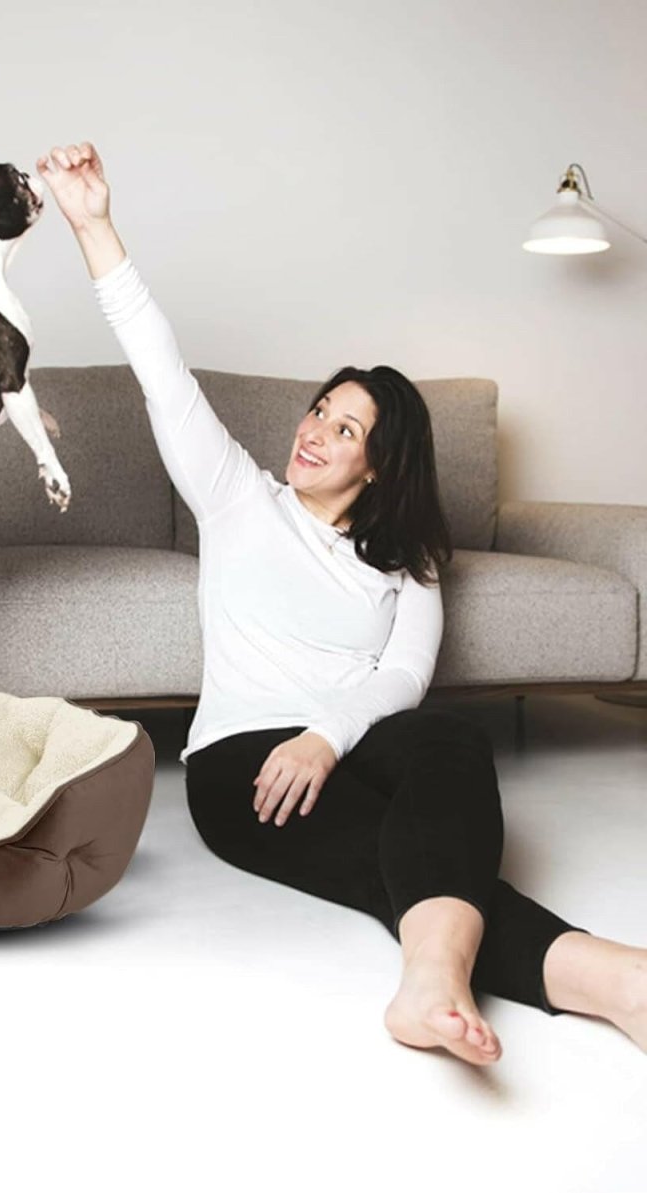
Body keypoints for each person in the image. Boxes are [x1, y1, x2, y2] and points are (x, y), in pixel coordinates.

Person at [35, 141, 646, 1065]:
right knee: (400, 860)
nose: (316, 430)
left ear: (381, 463)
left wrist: (327, 734)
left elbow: (404, 674)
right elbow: (160, 368)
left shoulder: (411, 561)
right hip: (246, 766)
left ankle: (432, 987)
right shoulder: (238, 497)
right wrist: (94, 224)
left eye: (345, 426)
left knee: (451, 742)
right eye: (320, 409)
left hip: (350, 745)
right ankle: (619, 981)